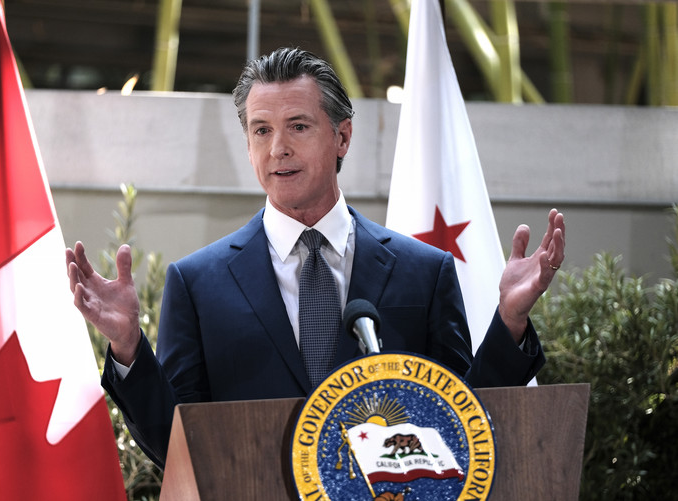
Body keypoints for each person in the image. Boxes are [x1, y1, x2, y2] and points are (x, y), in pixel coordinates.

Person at [66, 47, 565, 468]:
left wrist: (510, 323)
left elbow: (463, 420)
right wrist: (130, 348)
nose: (277, 148)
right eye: (261, 131)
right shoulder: (197, 284)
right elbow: (177, 447)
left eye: (298, 126)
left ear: (342, 136)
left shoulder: (423, 271)